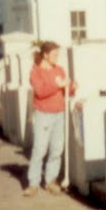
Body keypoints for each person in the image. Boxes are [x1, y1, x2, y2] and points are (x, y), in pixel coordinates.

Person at [23, 41, 76, 197]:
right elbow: (40, 92)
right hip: (43, 115)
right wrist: (57, 84)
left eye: (58, 55)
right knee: (40, 148)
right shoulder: (36, 71)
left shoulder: (59, 69)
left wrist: (71, 87)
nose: (57, 58)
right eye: (54, 55)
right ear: (45, 55)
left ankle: (51, 180)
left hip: (59, 114)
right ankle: (33, 183)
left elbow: (66, 91)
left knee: (57, 149)